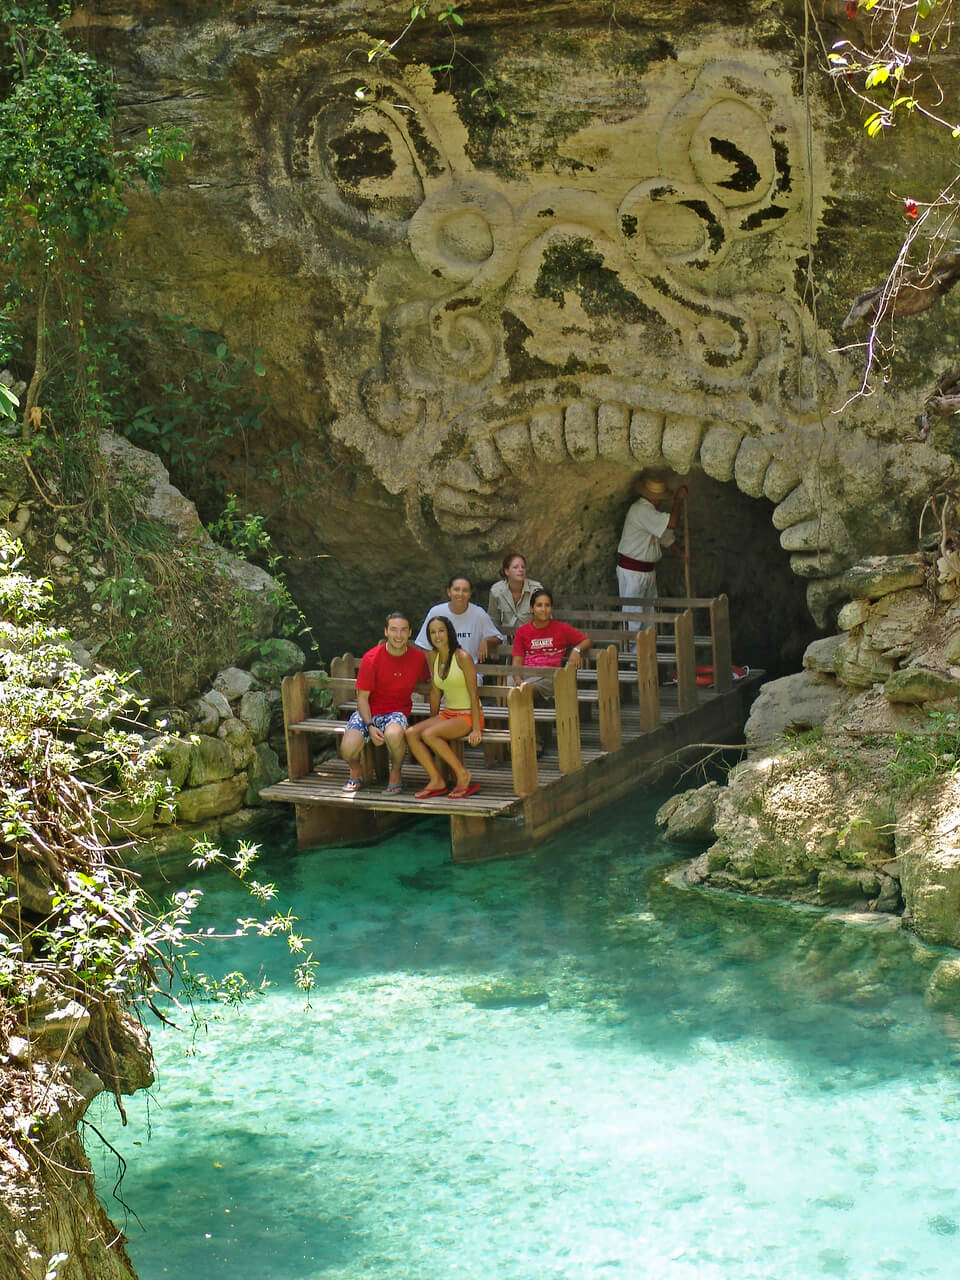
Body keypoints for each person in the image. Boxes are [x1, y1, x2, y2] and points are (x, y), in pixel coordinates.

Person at [339, 612, 429, 795]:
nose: (399, 635)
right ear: (386, 632)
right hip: (368, 712)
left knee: (394, 734)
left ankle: (395, 773)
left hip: (396, 712)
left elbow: (427, 681)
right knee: (347, 749)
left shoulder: (418, 658)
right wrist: (369, 725)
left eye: (403, 630)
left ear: (410, 632)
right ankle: (355, 769)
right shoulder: (371, 658)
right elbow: (362, 698)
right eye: (394, 630)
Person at [406, 616, 483, 800]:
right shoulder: (433, 656)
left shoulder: (462, 657)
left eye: (441, 630)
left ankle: (463, 774)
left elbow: (474, 694)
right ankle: (436, 780)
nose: (437, 636)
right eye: (432, 632)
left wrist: (476, 729)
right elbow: (435, 691)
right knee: (411, 733)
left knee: (429, 735)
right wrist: (433, 719)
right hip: (448, 713)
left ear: (449, 632)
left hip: (467, 715)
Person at [511, 590, 592, 742]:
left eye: (547, 605)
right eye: (539, 605)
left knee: (523, 692)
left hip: (550, 678)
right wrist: (517, 678)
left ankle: (534, 740)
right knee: (513, 691)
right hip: (525, 676)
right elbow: (517, 661)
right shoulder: (522, 632)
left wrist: (576, 650)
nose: (544, 609)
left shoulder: (562, 628)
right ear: (532, 608)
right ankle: (527, 738)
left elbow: (587, 640)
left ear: (552, 608)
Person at [616, 473, 688, 626]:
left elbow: (665, 537)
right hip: (633, 573)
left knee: (649, 619)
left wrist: (680, 554)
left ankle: (648, 642)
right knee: (634, 619)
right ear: (655, 498)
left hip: (646, 572)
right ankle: (632, 643)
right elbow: (672, 524)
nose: (661, 501)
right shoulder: (641, 510)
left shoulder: (650, 513)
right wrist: (678, 500)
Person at [414, 574, 504, 666]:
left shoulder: (478, 613)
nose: (460, 594)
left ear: (470, 594)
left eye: (465, 590)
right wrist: (435, 669)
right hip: (442, 668)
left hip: (471, 669)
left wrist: (486, 641)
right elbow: (424, 645)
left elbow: (498, 638)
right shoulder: (436, 612)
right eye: (456, 590)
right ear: (449, 592)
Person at [487, 551, 543, 629]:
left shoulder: (536, 590)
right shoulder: (496, 591)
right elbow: (493, 621)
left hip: (530, 635)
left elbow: (545, 620)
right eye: (516, 567)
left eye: (523, 567)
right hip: (505, 636)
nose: (521, 570)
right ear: (507, 571)